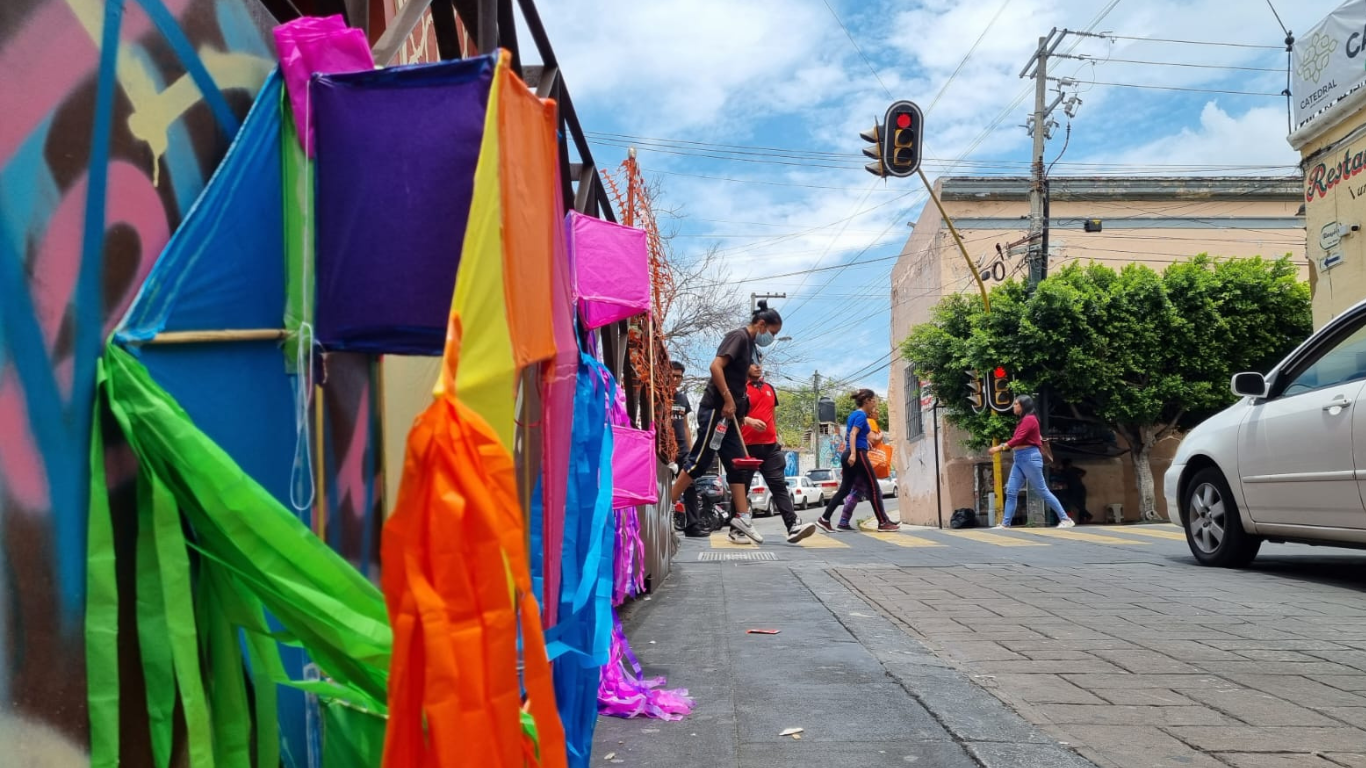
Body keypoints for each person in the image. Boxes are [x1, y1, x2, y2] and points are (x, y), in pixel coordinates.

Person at [670, 300, 784, 544]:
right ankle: (665, 505)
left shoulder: (750, 346)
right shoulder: (739, 337)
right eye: (772, 333)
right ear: (762, 324)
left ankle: (742, 518)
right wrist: (728, 399)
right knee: (700, 461)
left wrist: (741, 414)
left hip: (730, 416)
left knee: (737, 466)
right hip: (716, 411)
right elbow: (716, 366)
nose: (771, 338)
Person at [741, 363, 816, 544]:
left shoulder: (769, 389)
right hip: (746, 446)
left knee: (778, 485)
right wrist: (748, 420)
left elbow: (771, 415)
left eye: (760, 362)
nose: (758, 367)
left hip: (770, 447)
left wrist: (776, 437)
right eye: (752, 363)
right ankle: (737, 528)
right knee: (741, 488)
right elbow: (728, 414)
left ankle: (792, 526)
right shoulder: (738, 388)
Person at [988, 395, 1075, 529]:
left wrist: (999, 448)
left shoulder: (1030, 419)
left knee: (1042, 491)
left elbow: (1018, 439)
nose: (1014, 406)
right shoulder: (1024, 420)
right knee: (1011, 491)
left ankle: (1066, 519)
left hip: (1029, 458)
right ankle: (1005, 524)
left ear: (1023, 406)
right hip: (1020, 458)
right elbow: (1018, 439)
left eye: (1016, 404)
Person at [817, 390, 898, 532]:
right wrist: (854, 453)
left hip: (849, 453)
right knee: (873, 488)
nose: (875, 403)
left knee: (845, 489)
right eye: (873, 400)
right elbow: (853, 433)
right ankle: (883, 523)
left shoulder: (855, 415)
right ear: (867, 401)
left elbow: (851, 436)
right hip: (857, 454)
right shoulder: (861, 415)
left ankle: (824, 519)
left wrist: (865, 442)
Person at [670, 361, 707, 537]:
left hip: (683, 450)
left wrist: (691, 450)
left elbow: (685, 426)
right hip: (664, 451)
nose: (676, 379)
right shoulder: (656, 396)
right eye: (673, 375)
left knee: (690, 485)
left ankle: (693, 525)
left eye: (679, 377)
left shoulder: (682, 399)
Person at [835, 418, 882, 530]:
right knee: (874, 492)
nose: (877, 411)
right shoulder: (869, 421)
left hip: (856, 461)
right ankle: (883, 520)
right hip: (863, 461)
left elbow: (849, 435)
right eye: (875, 407)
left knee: (856, 492)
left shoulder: (857, 420)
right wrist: (880, 436)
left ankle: (843, 520)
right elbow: (873, 439)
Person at [1056, 458, 1093, 524]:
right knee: (1079, 504)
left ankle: (1086, 517)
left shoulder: (1067, 470)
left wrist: (1079, 476)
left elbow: (1083, 472)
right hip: (1076, 489)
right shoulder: (1067, 470)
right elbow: (1083, 472)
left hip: (1077, 489)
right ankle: (1084, 518)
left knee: (1079, 504)